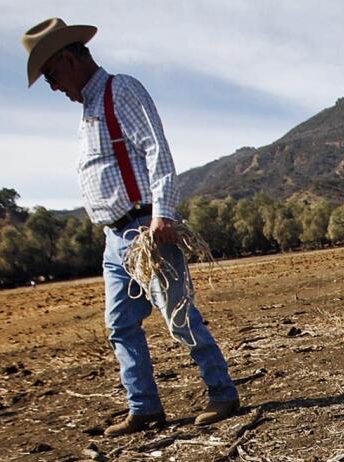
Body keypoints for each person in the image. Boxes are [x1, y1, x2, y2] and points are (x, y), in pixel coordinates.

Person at [21, 18, 240, 435]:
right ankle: (144, 408)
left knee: (178, 316)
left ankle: (222, 392)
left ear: (68, 59)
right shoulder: (88, 109)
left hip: (145, 229)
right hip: (114, 241)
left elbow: (157, 150)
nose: (51, 86)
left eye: (50, 75)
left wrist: (163, 215)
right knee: (120, 324)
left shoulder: (120, 90)